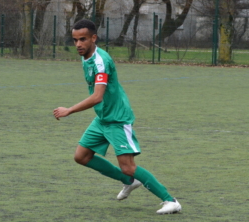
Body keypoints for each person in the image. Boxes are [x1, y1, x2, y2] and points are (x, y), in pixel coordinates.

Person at [53, 19, 181, 214]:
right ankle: (129, 182)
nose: (78, 44)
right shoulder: (85, 55)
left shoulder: (100, 61)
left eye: (83, 39)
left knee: (128, 166)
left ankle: (170, 200)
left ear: (93, 38)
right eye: (75, 40)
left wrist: (69, 110)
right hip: (103, 117)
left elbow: (97, 97)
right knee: (82, 156)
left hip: (117, 119)